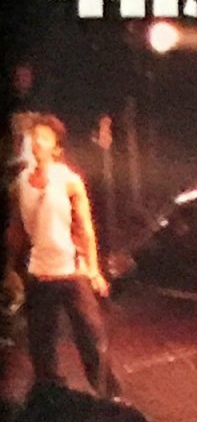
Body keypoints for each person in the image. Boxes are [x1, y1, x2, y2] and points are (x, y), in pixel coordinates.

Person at [6, 114, 117, 397]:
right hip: (39, 274)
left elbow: (85, 227)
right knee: (41, 344)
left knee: (91, 338)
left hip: (71, 272)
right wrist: (9, 270)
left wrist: (93, 269)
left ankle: (109, 397)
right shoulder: (21, 184)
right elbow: (16, 230)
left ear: (56, 147)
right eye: (34, 137)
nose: (37, 142)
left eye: (44, 138)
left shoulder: (69, 181)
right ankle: (51, 396)